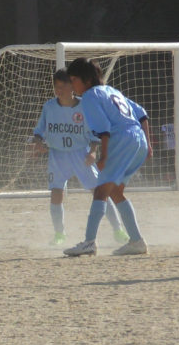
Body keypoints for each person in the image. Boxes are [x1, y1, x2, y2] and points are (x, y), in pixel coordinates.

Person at [63, 58, 150, 257]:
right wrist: (148, 144)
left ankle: (89, 242)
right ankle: (136, 241)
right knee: (116, 192)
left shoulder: (90, 96)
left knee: (100, 191)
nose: (72, 85)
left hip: (121, 140)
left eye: (74, 79)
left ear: (86, 79)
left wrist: (104, 156)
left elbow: (104, 129)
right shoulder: (112, 91)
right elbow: (142, 114)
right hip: (138, 140)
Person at [31, 69, 128, 247]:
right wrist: (38, 143)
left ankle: (118, 230)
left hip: (80, 154)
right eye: (56, 86)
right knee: (56, 192)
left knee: (99, 192)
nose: (59, 90)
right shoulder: (49, 107)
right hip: (57, 155)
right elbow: (39, 132)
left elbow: (96, 132)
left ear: (72, 87)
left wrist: (93, 151)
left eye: (63, 86)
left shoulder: (85, 106)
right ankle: (59, 234)